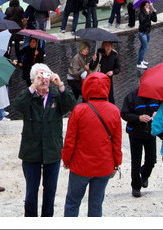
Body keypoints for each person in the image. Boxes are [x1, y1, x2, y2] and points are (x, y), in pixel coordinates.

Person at [10, 63, 76, 217]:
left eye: (46, 76)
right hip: (31, 151)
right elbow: (18, 106)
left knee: (50, 191)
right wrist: (33, 87)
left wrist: (60, 84)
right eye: (40, 76)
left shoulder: (56, 95)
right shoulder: (28, 95)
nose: (44, 80)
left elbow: (71, 104)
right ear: (34, 79)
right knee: (31, 192)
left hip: (52, 150)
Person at [61, 72, 122, 217]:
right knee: (96, 205)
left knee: (72, 203)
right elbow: (116, 142)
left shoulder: (79, 110)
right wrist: (116, 163)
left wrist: (66, 160)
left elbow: (70, 140)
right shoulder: (114, 111)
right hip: (103, 167)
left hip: (81, 167)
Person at [121, 86, 160, 198]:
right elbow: (124, 113)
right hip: (135, 133)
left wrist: (157, 113)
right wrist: (138, 118)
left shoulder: (156, 96)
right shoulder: (131, 97)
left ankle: (144, 175)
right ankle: (136, 186)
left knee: (151, 160)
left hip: (151, 132)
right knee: (136, 161)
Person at [136, 0, 157, 68]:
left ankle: (141, 59)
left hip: (148, 32)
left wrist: (154, 13)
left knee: (143, 46)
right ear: (143, 6)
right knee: (145, 47)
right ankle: (139, 63)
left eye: (148, 5)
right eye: (146, 5)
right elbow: (142, 22)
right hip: (142, 33)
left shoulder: (149, 12)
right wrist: (147, 14)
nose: (148, 6)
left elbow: (154, 20)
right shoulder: (141, 13)